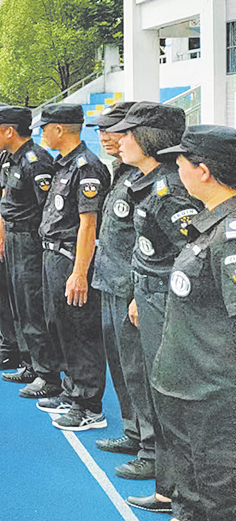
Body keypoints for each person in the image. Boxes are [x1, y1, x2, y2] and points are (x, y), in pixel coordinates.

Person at [137, 125, 236, 521]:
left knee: (221, 476)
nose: (176, 171)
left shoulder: (230, 235)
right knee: (195, 465)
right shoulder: (208, 224)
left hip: (213, 384)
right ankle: (190, 519)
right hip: (187, 375)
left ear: (205, 171)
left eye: (181, 165)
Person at [111, 103, 202, 521]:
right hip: (148, 294)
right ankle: (168, 488)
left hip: (167, 301)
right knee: (155, 392)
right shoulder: (145, 183)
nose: (120, 139)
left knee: (170, 399)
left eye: (129, 133)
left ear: (149, 139)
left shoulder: (167, 190)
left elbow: (190, 254)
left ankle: (184, 499)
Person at [34, 103, 111, 430]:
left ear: (60, 129)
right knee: (60, 326)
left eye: (44, 127)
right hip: (54, 256)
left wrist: (79, 273)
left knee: (81, 331)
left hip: (71, 259)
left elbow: (88, 225)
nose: (41, 133)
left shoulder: (86, 168)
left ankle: (89, 405)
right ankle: (72, 391)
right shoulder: (64, 165)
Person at [86, 103, 154, 469]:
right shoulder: (123, 172)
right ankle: (133, 432)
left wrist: (135, 293)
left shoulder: (149, 179)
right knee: (121, 366)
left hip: (130, 288)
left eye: (117, 131)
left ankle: (151, 449)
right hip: (109, 280)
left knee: (137, 369)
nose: (108, 138)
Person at [0, 106, 55, 380]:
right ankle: (28, 362)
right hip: (13, 238)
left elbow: (45, 210)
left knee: (32, 307)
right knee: (18, 304)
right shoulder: (11, 159)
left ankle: (45, 372)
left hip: (29, 242)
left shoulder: (35, 161)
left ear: (9, 131)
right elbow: (7, 203)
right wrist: (1, 235)